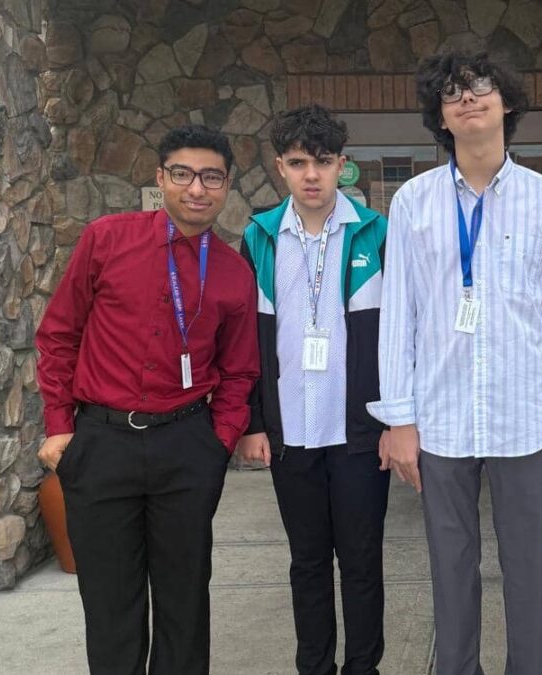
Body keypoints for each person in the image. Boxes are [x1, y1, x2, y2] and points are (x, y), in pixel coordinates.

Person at [366, 51, 542, 675]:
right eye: (452, 92)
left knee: (528, 567)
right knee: (450, 566)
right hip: (441, 420)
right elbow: (399, 316)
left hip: (525, 417)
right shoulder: (412, 202)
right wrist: (400, 419)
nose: (467, 98)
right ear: (439, 116)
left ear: (506, 102)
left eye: (481, 86)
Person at [35, 125, 259, 674]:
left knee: (185, 600)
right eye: (183, 174)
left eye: (211, 177)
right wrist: (60, 426)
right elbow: (59, 334)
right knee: (110, 602)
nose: (197, 188)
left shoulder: (233, 273)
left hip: (186, 446)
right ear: (161, 178)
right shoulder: (106, 239)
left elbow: (239, 371)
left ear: (227, 185)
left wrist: (217, 444)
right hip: (101, 443)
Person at [235, 104, 390, 675]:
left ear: (342, 165)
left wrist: (396, 420)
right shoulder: (259, 237)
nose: (312, 175)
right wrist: (254, 422)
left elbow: (401, 333)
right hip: (290, 432)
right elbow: (244, 338)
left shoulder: (375, 232)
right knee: (307, 562)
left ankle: (363, 667)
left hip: (358, 432)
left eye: (323, 162)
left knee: (361, 562)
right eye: (299, 162)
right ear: (281, 166)